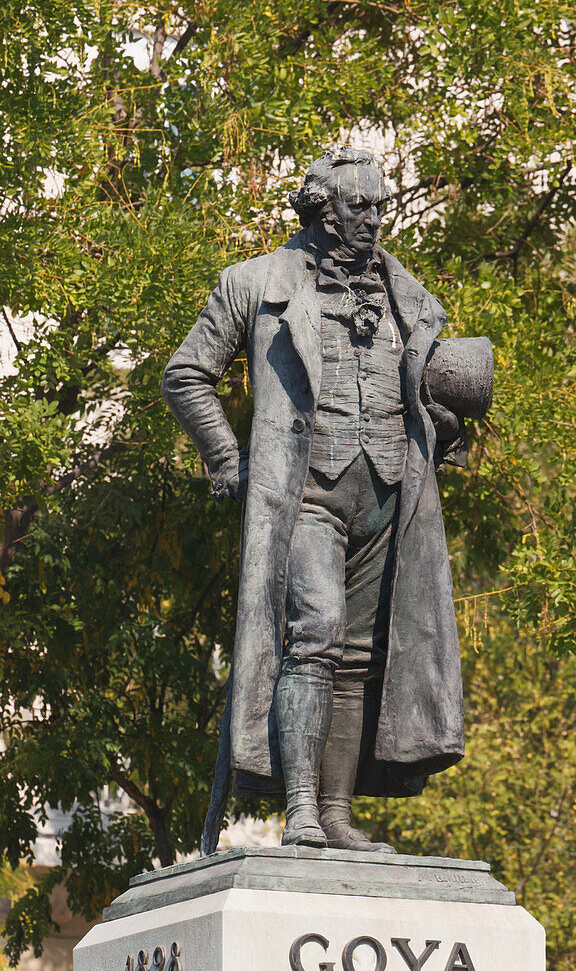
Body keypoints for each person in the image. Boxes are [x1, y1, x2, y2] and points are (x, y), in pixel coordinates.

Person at [162, 146, 492, 853]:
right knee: (314, 633)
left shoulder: (411, 297)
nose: (373, 219)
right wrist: (229, 460)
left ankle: (336, 813)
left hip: (389, 498)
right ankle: (301, 809)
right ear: (320, 207)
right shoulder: (255, 283)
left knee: (362, 654)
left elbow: (426, 397)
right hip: (303, 493)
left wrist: (449, 421)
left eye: (379, 206)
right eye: (358, 206)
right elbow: (186, 375)